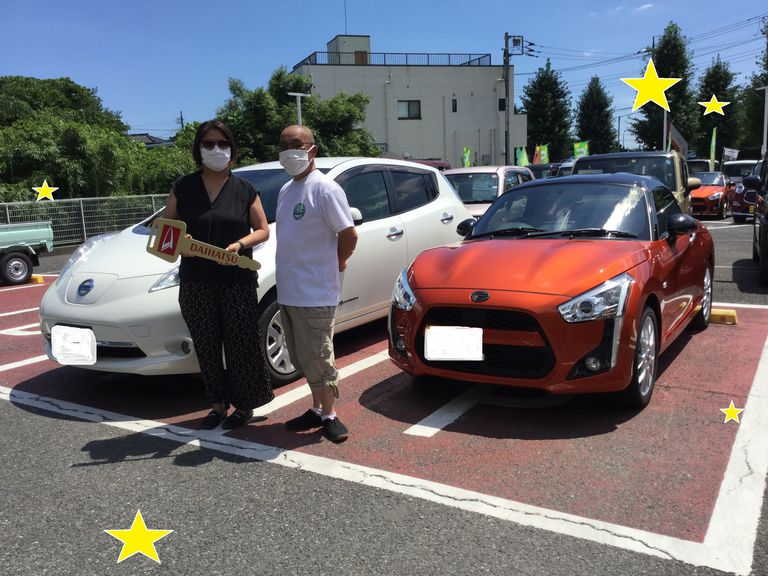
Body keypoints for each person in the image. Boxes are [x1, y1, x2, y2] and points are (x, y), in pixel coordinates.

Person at [164, 120, 274, 430]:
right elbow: (166, 232)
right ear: (198, 149)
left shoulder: (245, 189)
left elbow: (263, 229)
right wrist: (180, 244)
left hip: (237, 281)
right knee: (206, 345)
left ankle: (245, 405)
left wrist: (240, 244)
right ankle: (217, 405)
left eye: (223, 144)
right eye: (209, 144)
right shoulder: (182, 187)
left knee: (241, 345)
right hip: (195, 281)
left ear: (232, 150)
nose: (216, 149)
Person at [275, 124, 358, 443]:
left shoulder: (325, 189)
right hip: (289, 290)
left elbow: (348, 234)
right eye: (283, 145)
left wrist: (337, 262)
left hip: (315, 293)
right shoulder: (286, 190)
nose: (289, 151)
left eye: (296, 144)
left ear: (313, 149)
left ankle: (330, 414)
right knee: (301, 356)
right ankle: (316, 408)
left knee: (320, 357)